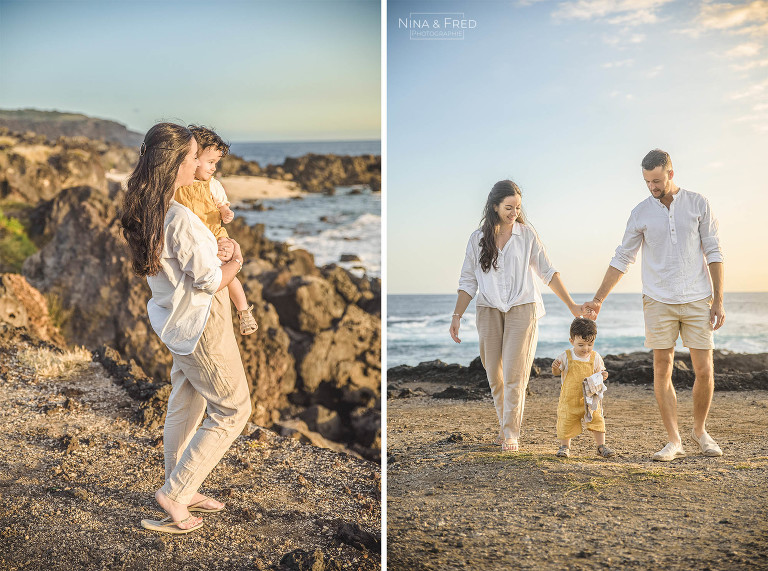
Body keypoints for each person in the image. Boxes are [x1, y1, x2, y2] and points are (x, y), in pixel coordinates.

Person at [120, 123, 252, 533]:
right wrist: (238, 260)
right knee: (234, 409)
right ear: (176, 161)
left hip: (175, 320)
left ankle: (184, 484)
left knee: (188, 398)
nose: (200, 164)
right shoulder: (180, 218)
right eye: (194, 156)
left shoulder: (150, 207)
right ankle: (175, 495)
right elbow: (212, 280)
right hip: (201, 322)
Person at [585, 149, 725, 462]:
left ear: (671, 174)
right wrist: (598, 299)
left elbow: (714, 252)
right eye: (648, 181)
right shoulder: (640, 213)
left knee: (704, 370)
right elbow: (623, 257)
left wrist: (718, 299)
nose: (652, 186)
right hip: (658, 299)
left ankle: (700, 431)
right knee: (662, 368)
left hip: (698, 297)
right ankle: (674, 440)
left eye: (657, 180)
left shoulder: (698, 203)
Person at [450, 180, 591, 453]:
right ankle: (505, 427)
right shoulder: (477, 239)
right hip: (488, 308)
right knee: (495, 374)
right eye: (508, 207)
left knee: (515, 374)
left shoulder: (526, 236)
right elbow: (468, 282)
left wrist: (573, 306)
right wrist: (457, 315)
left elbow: (548, 272)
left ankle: (510, 433)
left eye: (517, 207)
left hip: (522, 307)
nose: (514, 212)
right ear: (494, 207)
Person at [174, 125, 258, 335]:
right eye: (210, 162)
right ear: (192, 156)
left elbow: (222, 205)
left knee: (229, 274)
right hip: (196, 240)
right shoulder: (179, 185)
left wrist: (226, 212)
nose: (213, 168)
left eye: (215, 163)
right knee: (218, 273)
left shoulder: (212, 185)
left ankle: (243, 311)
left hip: (215, 235)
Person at [551, 318, 614, 458]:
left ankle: (601, 446)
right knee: (566, 420)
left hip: (590, 397)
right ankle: (565, 447)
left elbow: (600, 372)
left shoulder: (595, 357)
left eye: (590, 344)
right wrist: (555, 368)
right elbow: (556, 373)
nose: (586, 348)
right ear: (571, 340)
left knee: (597, 418)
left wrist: (603, 375)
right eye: (581, 345)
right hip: (570, 399)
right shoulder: (566, 356)